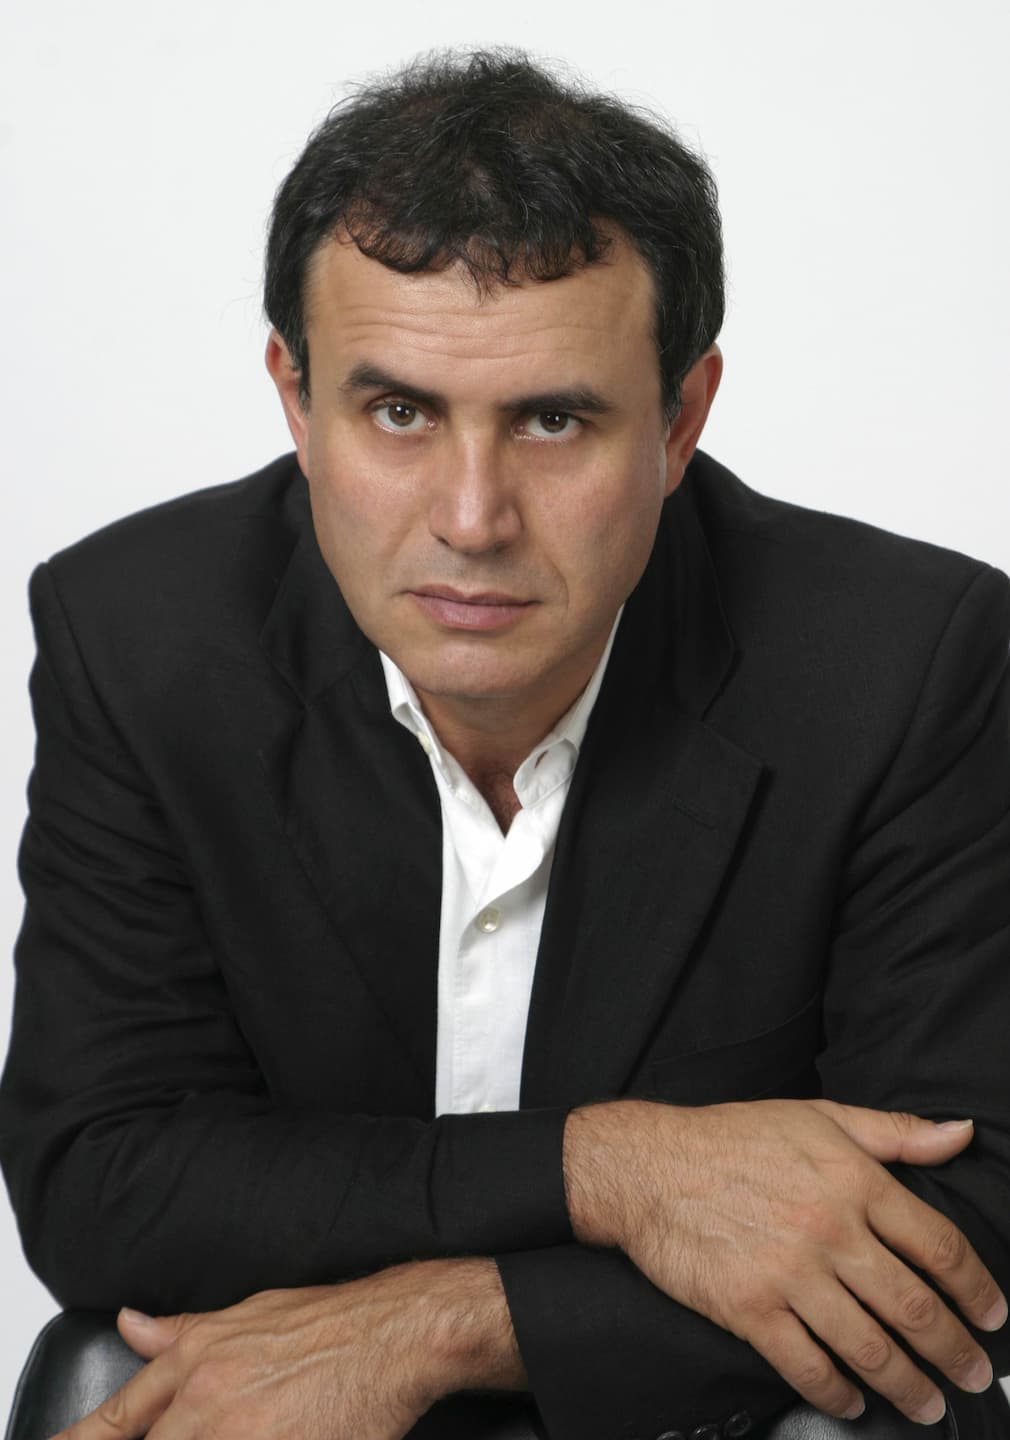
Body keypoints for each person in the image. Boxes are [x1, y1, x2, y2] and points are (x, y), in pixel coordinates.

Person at [1, 46, 1009, 1440]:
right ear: (296, 402)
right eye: (398, 412)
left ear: (680, 420)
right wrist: (610, 1171)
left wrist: (445, 1323)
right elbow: (102, 1183)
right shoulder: (140, 639)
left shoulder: (906, 662)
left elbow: (965, 1225)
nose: (471, 519)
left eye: (551, 419)